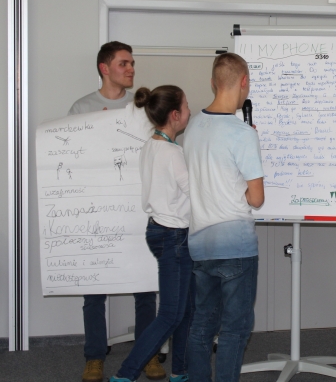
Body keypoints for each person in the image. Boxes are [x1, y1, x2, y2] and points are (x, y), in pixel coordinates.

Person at [69, 41, 165, 382]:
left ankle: (147, 354)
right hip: (96, 212)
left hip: (137, 210)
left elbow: (157, 151)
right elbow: (72, 158)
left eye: (132, 63)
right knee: (94, 290)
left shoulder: (141, 108)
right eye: (124, 63)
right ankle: (94, 356)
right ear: (104, 68)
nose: (131, 69)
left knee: (145, 288)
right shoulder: (82, 108)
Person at [183, 53, 264, 382]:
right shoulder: (242, 134)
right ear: (244, 82)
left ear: (213, 83)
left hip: (200, 243)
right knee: (235, 328)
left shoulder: (192, 127)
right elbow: (256, 199)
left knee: (202, 324)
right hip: (235, 245)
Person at [110, 86, 194, 382]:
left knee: (185, 309)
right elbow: (196, 193)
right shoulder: (172, 153)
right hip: (174, 237)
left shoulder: (151, 145)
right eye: (186, 106)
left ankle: (180, 371)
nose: (190, 110)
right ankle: (125, 375)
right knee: (171, 314)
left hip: (161, 231)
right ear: (175, 115)